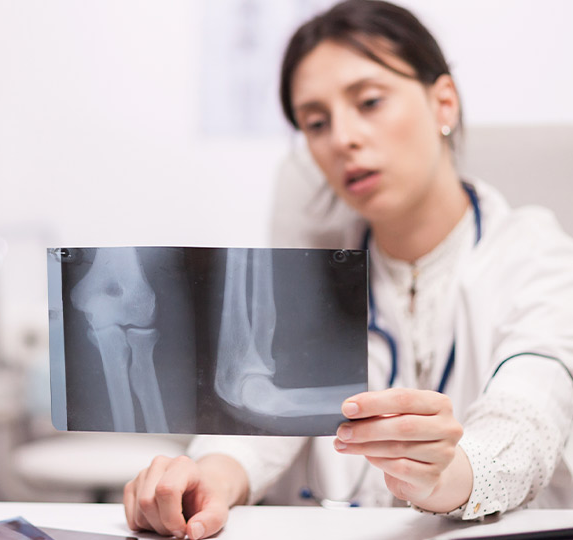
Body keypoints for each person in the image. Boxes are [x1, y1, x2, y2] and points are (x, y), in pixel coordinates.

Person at [123, 1, 573, 538]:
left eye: (370, 101)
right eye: (316, 122)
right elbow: (260, 422)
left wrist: (452, 472)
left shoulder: (537, 256)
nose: (342, 138)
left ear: (443, 103)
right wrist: (207, 480)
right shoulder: (315, 267)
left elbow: (529, 418)